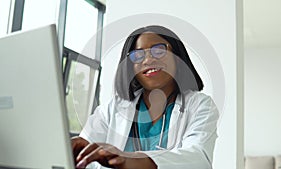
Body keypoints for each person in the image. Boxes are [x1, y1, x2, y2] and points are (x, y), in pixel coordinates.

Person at [71, 25, 219, 169]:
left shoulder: (200, 105)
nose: (148, 60)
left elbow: (198, 158)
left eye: (159, 50)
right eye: (137, 55)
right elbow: (87, 152)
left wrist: (130, 160)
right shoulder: (113, 109)